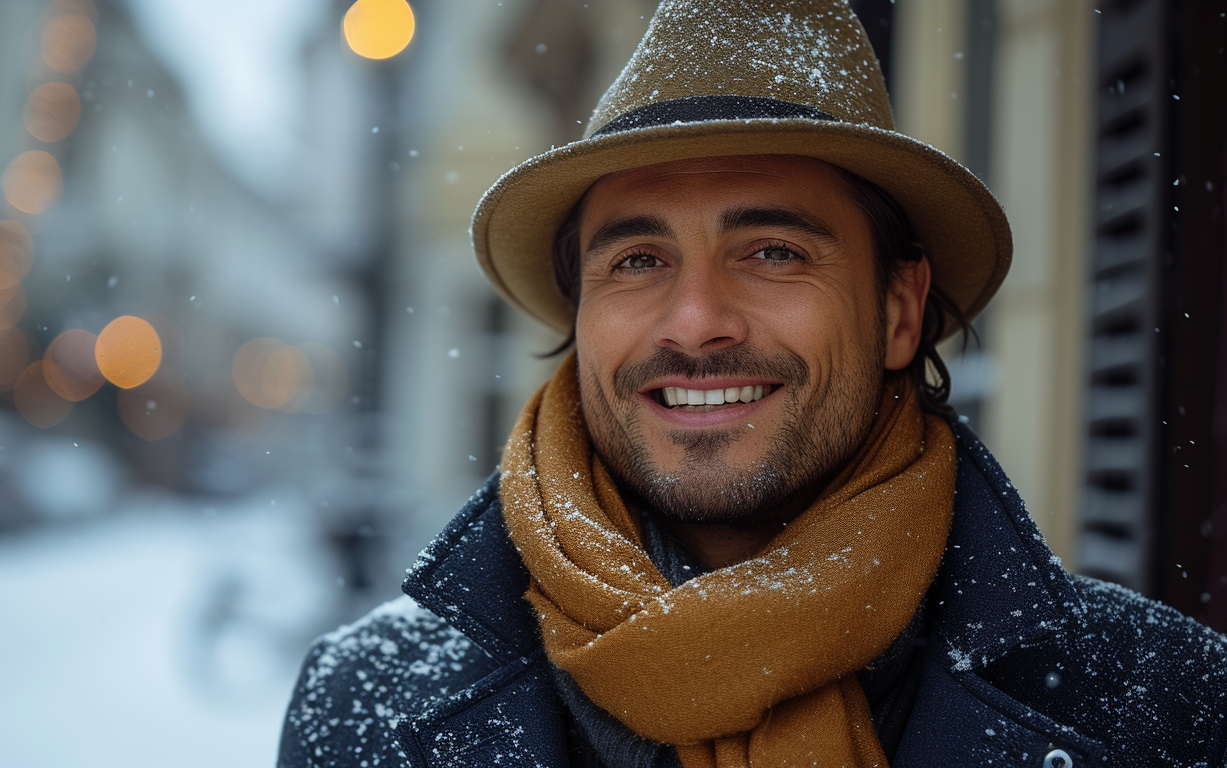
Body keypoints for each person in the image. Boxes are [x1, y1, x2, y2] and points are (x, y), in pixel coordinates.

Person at [278, 1, 1227, 765]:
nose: (695, 321)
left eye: (773, 251)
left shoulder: (1164, 707)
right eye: (638, 261)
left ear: (900, 311)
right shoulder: (366, 710)